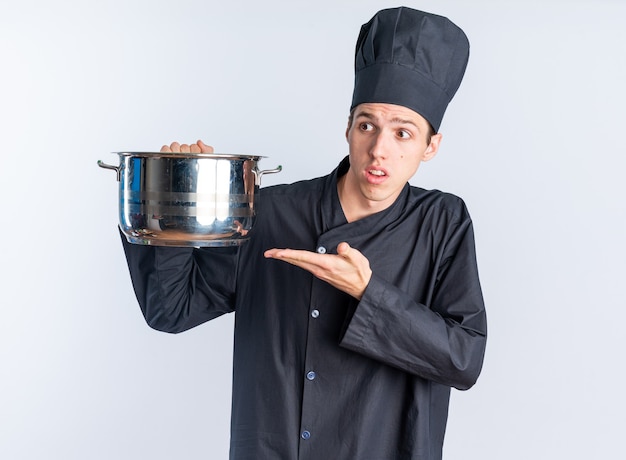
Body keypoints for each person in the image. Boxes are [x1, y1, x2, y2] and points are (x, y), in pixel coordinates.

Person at [120, 6, 487, 460]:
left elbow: (464, 360)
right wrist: (174, 200)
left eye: (404, 134)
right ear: (348, 127)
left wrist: (369, 293)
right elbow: (171, 309)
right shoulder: (270, 212)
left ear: (431, 146)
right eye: (367, 125)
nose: (379, 150)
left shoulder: (443, 222)